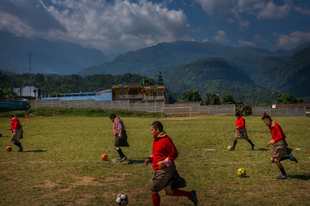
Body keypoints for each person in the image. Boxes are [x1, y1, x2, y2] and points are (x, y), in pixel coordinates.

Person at [145, 121, 198, 206]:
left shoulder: (166, 140)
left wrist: (164, 162)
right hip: (160, 170)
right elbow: (157, 153)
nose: (151, 131)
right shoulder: (156, 139)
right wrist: (150, 159)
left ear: (157, 130)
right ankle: (190, 194)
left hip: (165, 171)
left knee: (154, 190)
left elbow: (175, 153)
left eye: (152, 130)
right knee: (169, 192)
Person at [262, 113, 298, 179]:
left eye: (265, 122)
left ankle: (284, 174)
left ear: (268, 120)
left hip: (281, 143)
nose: (264, 124)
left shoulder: (276, 126)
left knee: (276, 160)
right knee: (272, 160)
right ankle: (288, 157)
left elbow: (281, 136)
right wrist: (271, 141)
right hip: (276, 144)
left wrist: (272, 141)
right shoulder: (270, 126)